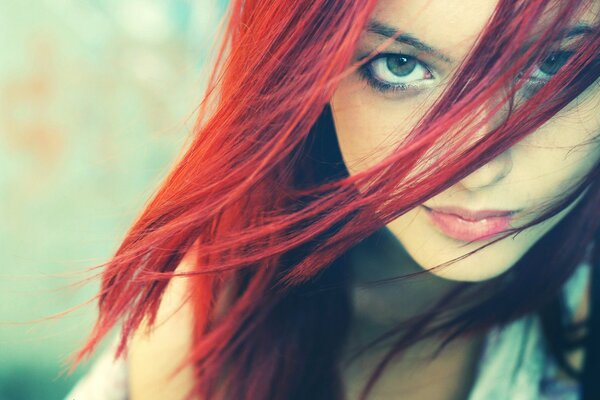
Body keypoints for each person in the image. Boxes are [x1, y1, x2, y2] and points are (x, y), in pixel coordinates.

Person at [64, 0, 600, 399]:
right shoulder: (214, 316)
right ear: (309, 77)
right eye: (401, 66)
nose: (477, 167)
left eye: (554, 66)